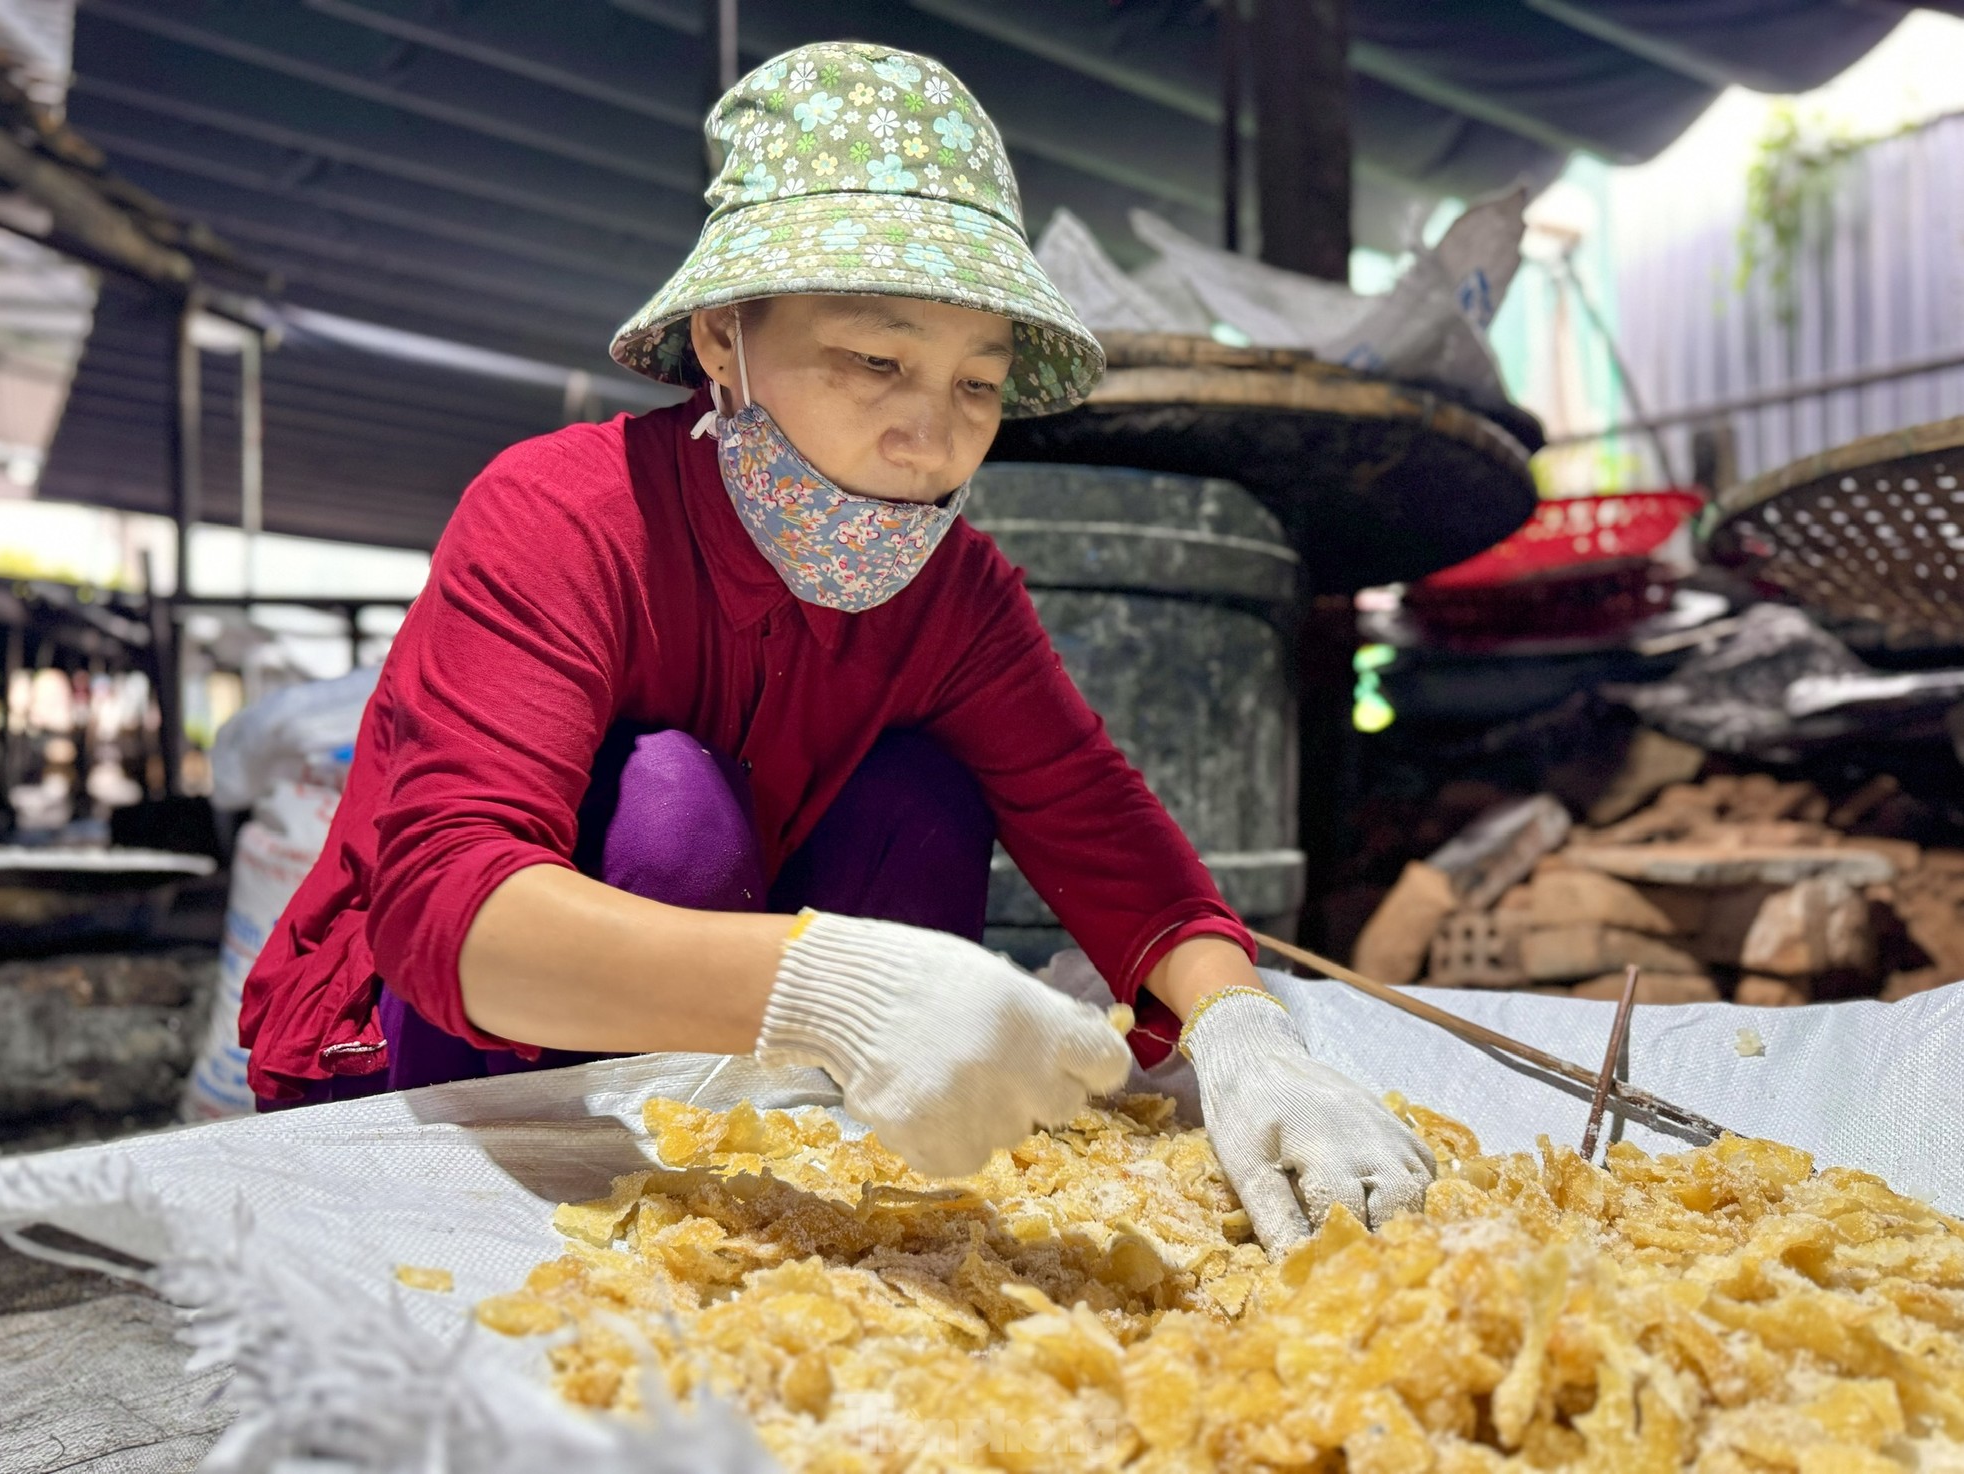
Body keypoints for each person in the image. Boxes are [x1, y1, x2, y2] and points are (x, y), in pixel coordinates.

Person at [239, 39, 1434, 1253]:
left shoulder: (955, 595)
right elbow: (453, 910)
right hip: (440, 1055)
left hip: (727, 1074)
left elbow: (1103, 829)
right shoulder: (563, 516)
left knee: (916, 793)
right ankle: (605, 1214)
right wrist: (833, 990)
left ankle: (808, 1175)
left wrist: (1243, 1036)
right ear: (722, 339)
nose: (931, 437)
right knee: (671, 804)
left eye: (977, 383)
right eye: (876, 360)